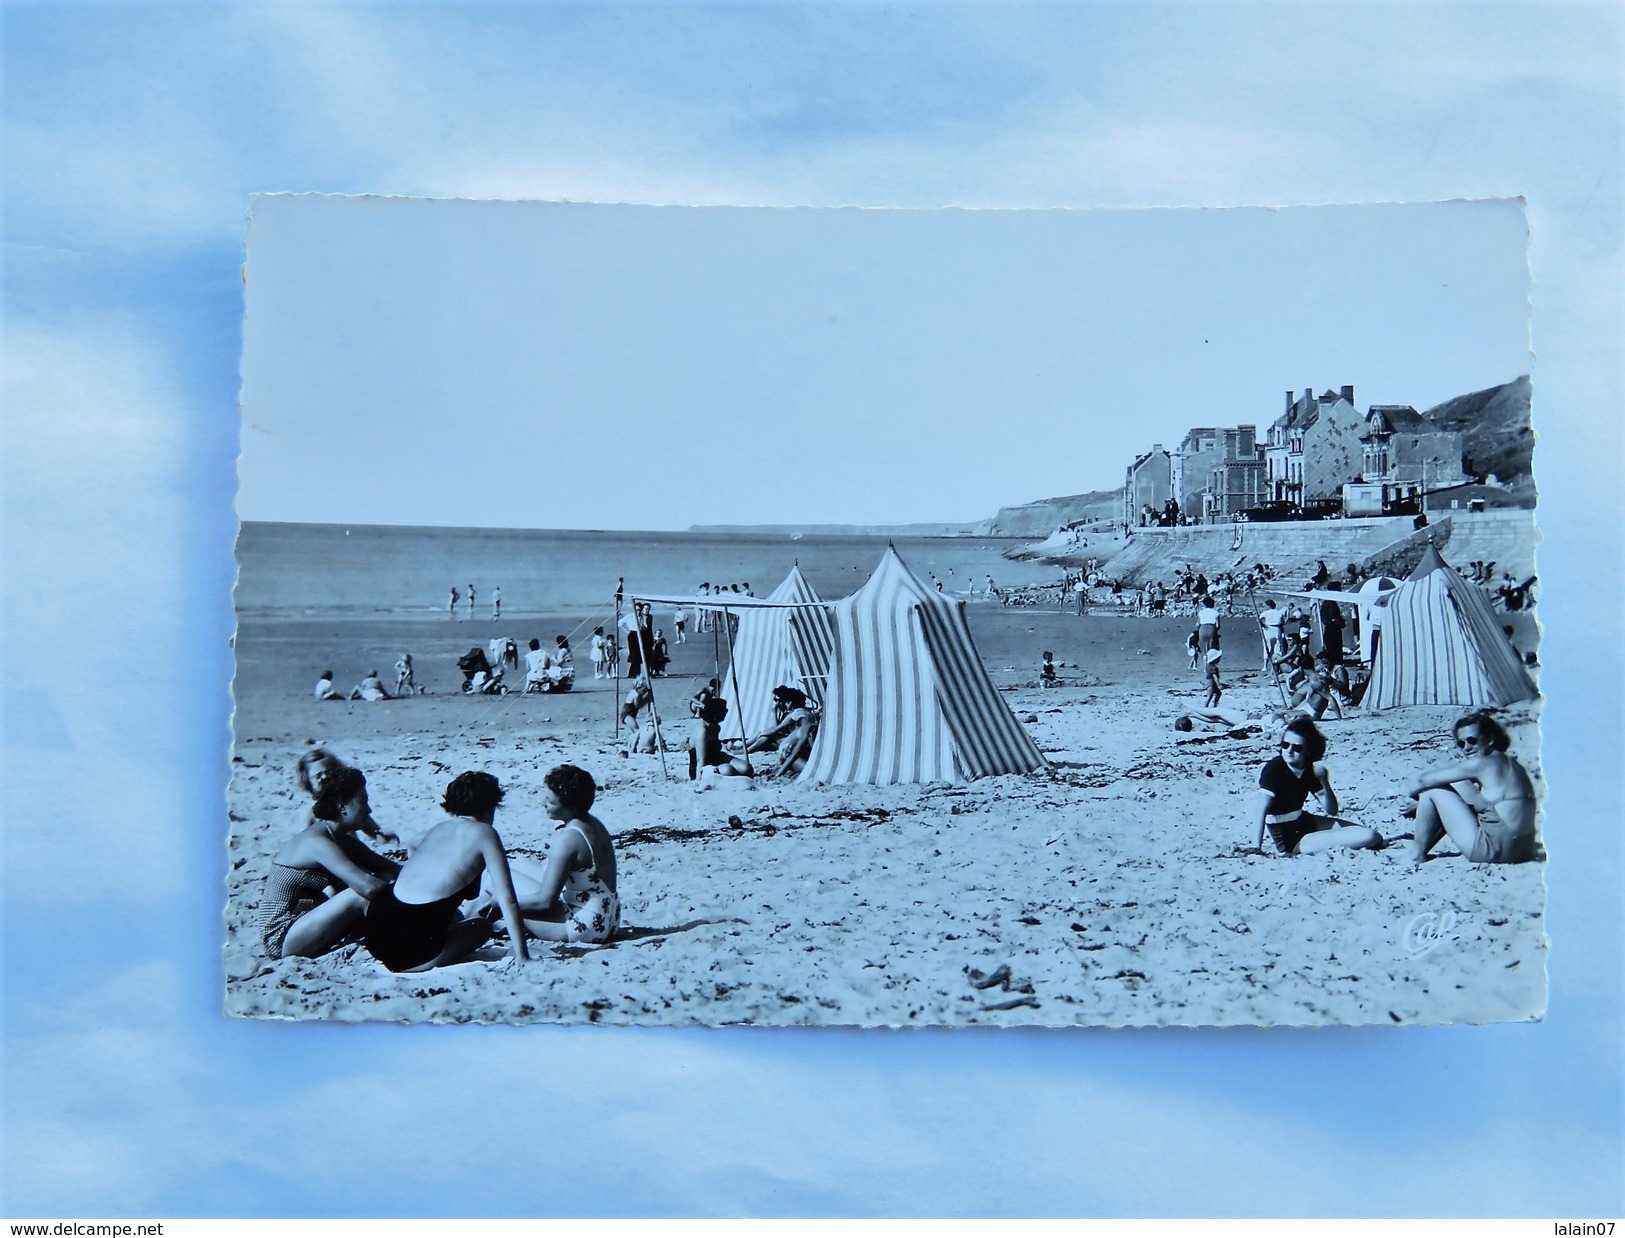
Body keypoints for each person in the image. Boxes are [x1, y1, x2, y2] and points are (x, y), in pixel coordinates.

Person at [362, 771, 530, 972]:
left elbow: (413, 843)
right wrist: (523, 956)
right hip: (409, 948)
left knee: (450, 916)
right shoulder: (485, 833)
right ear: (491, 807)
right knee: (481, 927)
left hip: (378, 925)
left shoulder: (438, 829)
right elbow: (507, 897)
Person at [256, 766, 400, 960]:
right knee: (360, 895)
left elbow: (393, 869)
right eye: (363, 802)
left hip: (308, 923)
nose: (369, 810)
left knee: (386, 878)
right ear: (342, 807)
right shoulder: (317, 842)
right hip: (282, 935)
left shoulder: (340, 840)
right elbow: (368, 889)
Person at [503, 765, 621, 944]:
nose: (543, 803)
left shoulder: (568, 838)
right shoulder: (593, 824)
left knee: (496, 887)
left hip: (584, 925)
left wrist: (502, 904)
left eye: (550, 801)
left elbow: (545, 902)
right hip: (608, 918)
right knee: (514, 865)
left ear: (570, 806)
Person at [1405, 712, 1538, 865]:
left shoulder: (1481, 764)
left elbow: (1423, 780)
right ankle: (1424, 823)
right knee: (1458, 783)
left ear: (1490, 739)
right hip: (1523, 850)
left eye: (1472, 741)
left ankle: (1416, 854)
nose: (1467, 748)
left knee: (1433, 791)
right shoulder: (1510, 763)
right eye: (1461, 743)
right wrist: (1423, 806)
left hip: (1496, 851)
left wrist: (1415, 798)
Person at [1253, 718, 1384, 856]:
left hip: (1304, 821)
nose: (1289, 751)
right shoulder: (1274, 769)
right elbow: (1261, 810)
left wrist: (1324, 781)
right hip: (1290, 838)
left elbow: (1331, 810)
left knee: (1363, 832)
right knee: (1369, 836)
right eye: (1285, 745)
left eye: (1297, 747)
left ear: (1308, 751)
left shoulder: (1308, 768)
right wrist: (1257, 848)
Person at [745, 685, 819, 779]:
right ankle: (744, 748)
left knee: (766, 737)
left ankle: (745, 749)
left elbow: (776, 729)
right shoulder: (808, 720)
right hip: (788, 752)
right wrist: (778, 774)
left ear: (790, 702)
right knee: (809, 767)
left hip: (786, 751)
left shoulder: (798, 714)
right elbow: (795, 752)